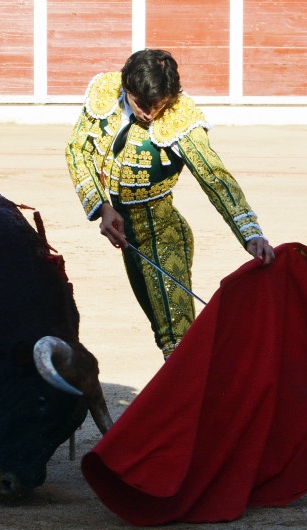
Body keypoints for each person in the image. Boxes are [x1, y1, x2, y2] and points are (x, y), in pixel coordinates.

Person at [65, 48, 275, 358]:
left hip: (163, 236)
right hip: (128, 237)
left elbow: (215, 178)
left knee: (177, 340)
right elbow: (77, 151)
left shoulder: (180, 117)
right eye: (141, 105)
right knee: (163, 334)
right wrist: (102, 207)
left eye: (157, 107)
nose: (149, 115)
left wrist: (250, 233)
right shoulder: (106, 92)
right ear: (126, 88)